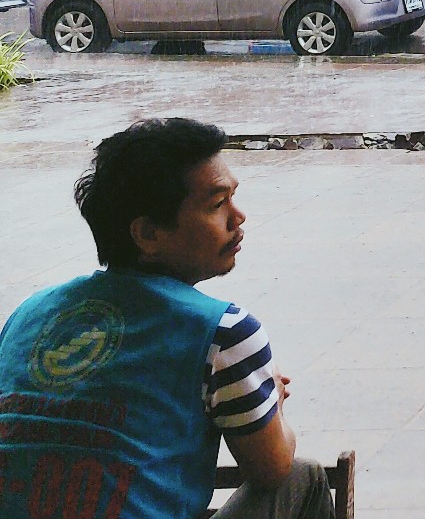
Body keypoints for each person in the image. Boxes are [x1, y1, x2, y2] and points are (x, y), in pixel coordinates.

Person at [0, 119, 331, 519]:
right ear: (148, 234)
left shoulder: (30, 314)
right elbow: (272, 468)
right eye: (216, 204)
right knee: (303, 476)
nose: (238, 217)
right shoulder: (224, 332)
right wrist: (271, 401)